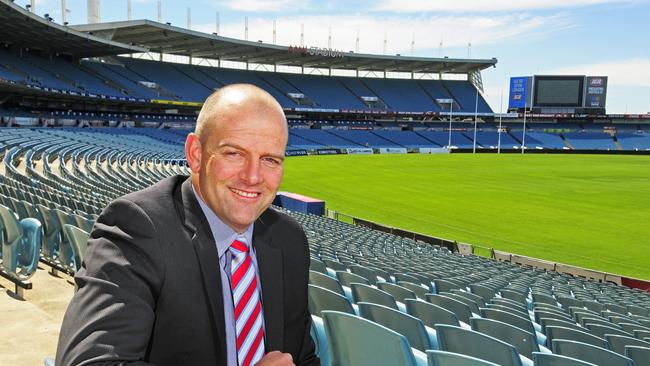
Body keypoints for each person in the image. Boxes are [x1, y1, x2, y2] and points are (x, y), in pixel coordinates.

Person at [55, 84, 319, 366]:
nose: (253, 177)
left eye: (270, 159)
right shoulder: (137, 228)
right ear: (195, 154)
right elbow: (90, 362)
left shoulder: (289, 239)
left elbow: (302, 358)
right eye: (234, 153)